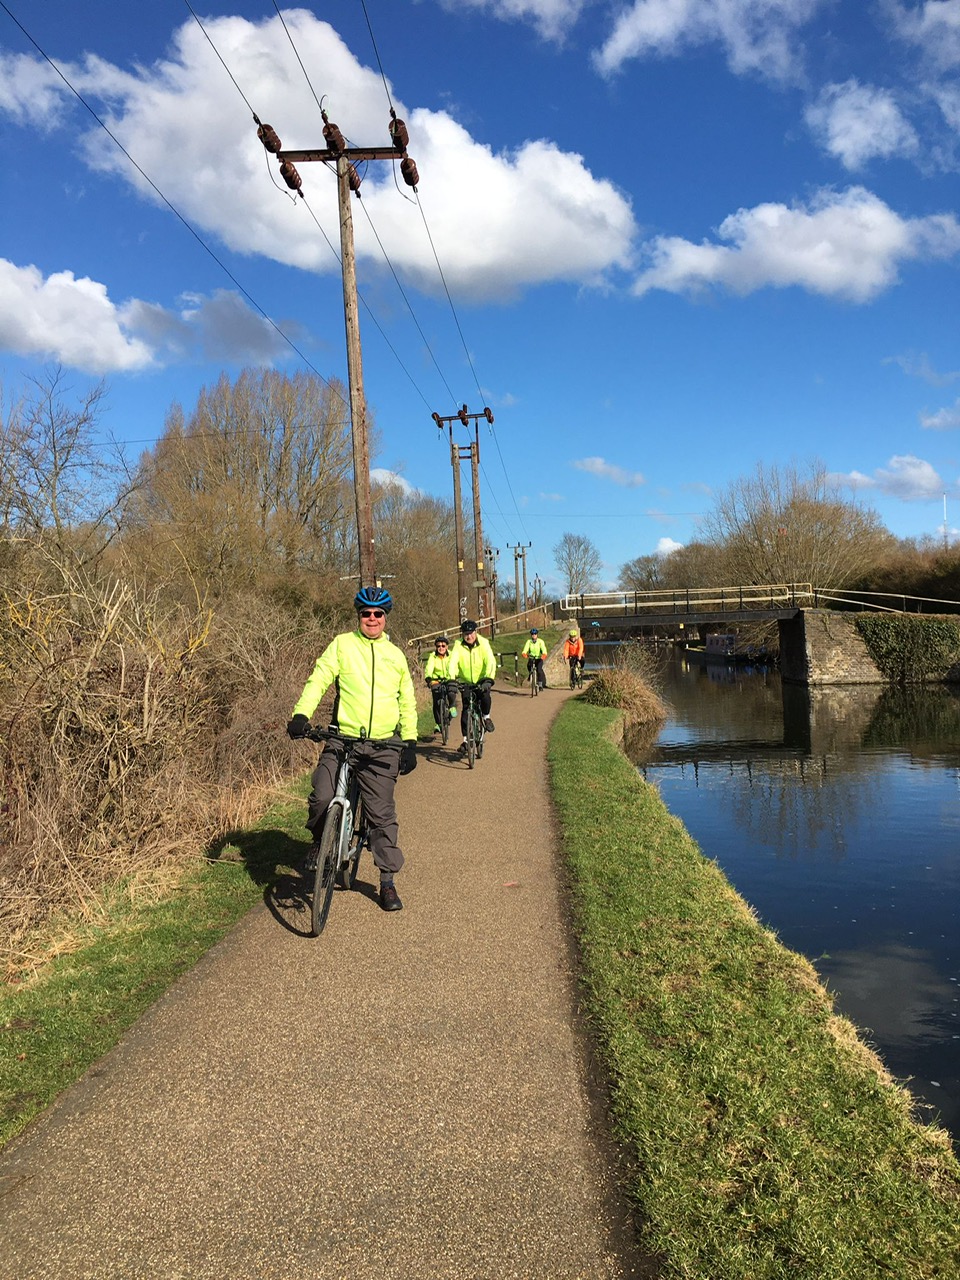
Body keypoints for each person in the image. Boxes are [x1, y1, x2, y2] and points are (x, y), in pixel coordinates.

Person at [286, 586, 417, 913]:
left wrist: (410, 741)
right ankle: (320, 841)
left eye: (378, 614)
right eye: (366, 613)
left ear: (386, 618)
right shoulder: (342, 645)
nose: (372, 619)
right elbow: (318, 679)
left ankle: (386, 881)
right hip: (343, 739)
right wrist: (301, 714)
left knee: (382, 816)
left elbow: (408, 703)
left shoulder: (396, 656)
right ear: (358, 615)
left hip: (383, 745)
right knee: (321, 794)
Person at [449, 619, 496, 754]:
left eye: (471, 633)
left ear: (476, 632)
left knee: (486, 697)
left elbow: (490, 661)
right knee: (466, 709)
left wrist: (488, 679)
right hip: (466, 682)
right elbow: (452, 662)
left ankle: (486, 717)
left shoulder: (484, 643)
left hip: (482, 680)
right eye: (465, 634)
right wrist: (452, 680)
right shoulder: (458, 645)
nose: (469, 636)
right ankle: (465, 740)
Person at [423, 634, 457, 733]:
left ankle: (452, 706)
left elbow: (454, 667)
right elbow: (429, 668)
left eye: (443, 646)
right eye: (438, 646)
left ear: (447, 646)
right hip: (436, 680)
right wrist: (429, 679)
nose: (440, 648)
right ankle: (438, 723)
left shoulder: (452, 655)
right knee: (437, 701)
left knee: (451, 692)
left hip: (449, 678)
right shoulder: (432, 656)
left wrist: (454, 676)